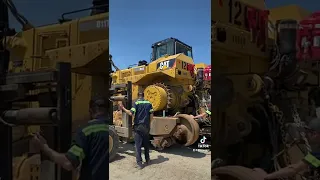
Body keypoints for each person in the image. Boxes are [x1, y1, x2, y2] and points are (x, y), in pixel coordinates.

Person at [31, 96, 109, 180]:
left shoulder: (87, 131)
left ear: (90, 110)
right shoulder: (112, 130)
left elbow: (68, 163)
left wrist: (44, 147)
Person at [119, 92, 154, 169]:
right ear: (143, 96)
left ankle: (139, 163)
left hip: (138, 127)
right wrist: (149, 125)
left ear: (138, 96)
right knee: (146, 145)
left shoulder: (136, 103)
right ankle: (147, 160)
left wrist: (123, 108)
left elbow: (130, 113)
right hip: (146, 127)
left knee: (138, 146)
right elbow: (151, 116)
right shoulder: (149, 103)